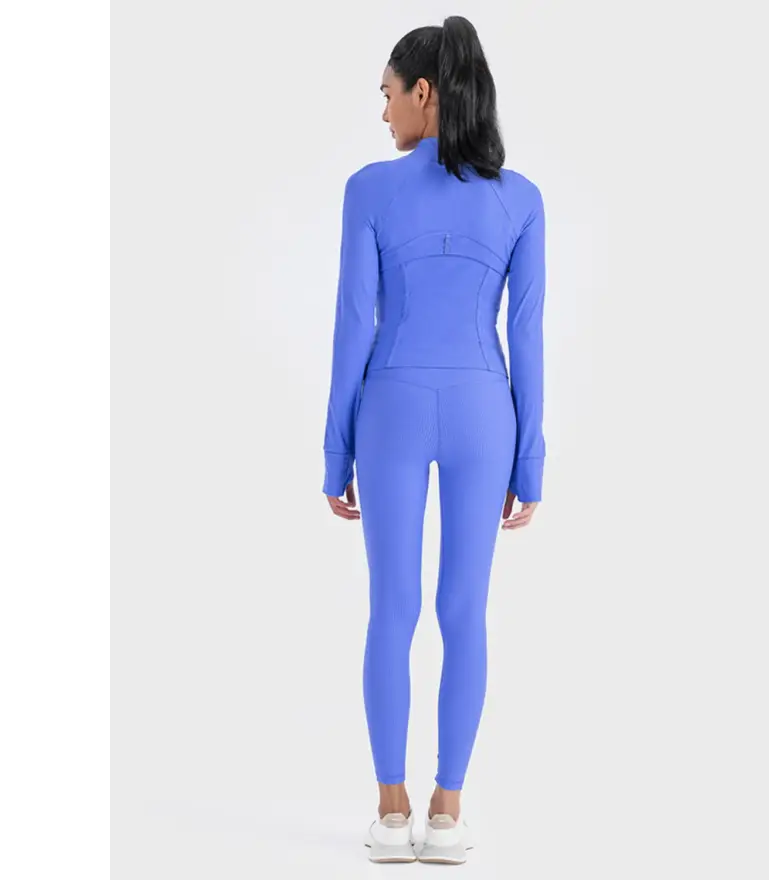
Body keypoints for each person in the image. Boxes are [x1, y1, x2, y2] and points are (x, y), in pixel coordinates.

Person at [321, 15, 546, 865]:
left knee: (393, 607)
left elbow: (353, 326)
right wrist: (531, 460)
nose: (383, 113)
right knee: (464, 611)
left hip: (392, 408)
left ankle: (391, 814)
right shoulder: (521, 199)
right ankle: (447, 815)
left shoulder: (369, 190)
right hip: (487, 411)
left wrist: (334, 451)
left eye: (387, 94)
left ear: (425, 93)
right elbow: (526, 335)